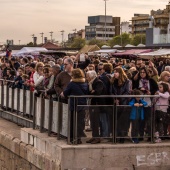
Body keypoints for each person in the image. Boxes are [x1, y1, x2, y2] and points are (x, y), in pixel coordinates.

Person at [61, 68, 88, 144]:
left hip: (74, 105)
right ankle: (78, 138)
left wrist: (62, 94)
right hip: (82, 104)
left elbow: (65, 93)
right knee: (80, 122)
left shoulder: (72, 83)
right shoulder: (85, 82)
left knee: (72, 122)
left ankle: (72, 138)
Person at [86, 70, 108, 144]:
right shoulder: (90, 83)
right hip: (93, 104)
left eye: (87, 76)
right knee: (93, 122)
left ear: (91, 76)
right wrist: (92, 91)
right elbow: (89, 92)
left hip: (98, 104)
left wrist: (93, 92)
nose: (86, 78)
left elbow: (97, 92)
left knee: (96, 122)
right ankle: (94, 136)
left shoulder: (98, 82)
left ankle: (97, 137)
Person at [111, 67, 131, 143]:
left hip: (124, 103)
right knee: (115, 121)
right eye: (114, 72)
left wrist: (120, 99)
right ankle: (115, 136)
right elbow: (111, 91)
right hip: (115, 103)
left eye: (116, 72)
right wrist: (115, 99)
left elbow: (127, 92)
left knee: (122, 121)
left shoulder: (126, 81)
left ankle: (122, 136)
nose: (115, 73)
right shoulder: (112, 81)